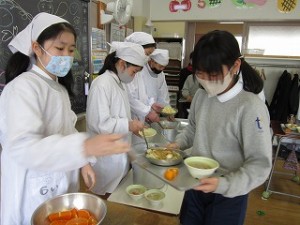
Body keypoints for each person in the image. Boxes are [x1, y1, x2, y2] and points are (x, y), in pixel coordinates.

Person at [0, 13, 129, 225]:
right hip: (32, 189)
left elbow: (67, 129)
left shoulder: (58, 88)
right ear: (36, 48)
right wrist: (84, 147)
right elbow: (22, 147)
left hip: (59, 184)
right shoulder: (22, 88)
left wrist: (84, 162)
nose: (67, 56)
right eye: (60, 49)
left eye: (71, 50)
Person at [168, 30, 272, 225]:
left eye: (213, 74)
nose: (206, 80)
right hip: (195, 184)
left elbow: (259, 164)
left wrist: (223, 184)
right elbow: (192, 129)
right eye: (200, 73)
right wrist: (177, 144)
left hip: (230, 192)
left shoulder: (250, 107)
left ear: (235, 66)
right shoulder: (200, 96)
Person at [86, 42, 146, 196]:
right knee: (106, 197)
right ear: (121, 64)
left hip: (119, 156)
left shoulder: (118, 83)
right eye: (133, 72)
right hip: (106, 159)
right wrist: (129, 125)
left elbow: (120, 115)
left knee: (118, 194)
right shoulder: (102, 84)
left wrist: (132, 127)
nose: (134, 76)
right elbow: (100, 123)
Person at [126, 49, 170, 123]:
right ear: (152, 61)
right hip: (138, 113)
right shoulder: (139, 72)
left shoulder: (161, 75)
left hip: (153, 112)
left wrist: (167, 110)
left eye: (164, 67)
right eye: (160, 66)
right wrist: (147, 111)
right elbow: (133, 97)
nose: (162, 69)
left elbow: (163, 94)